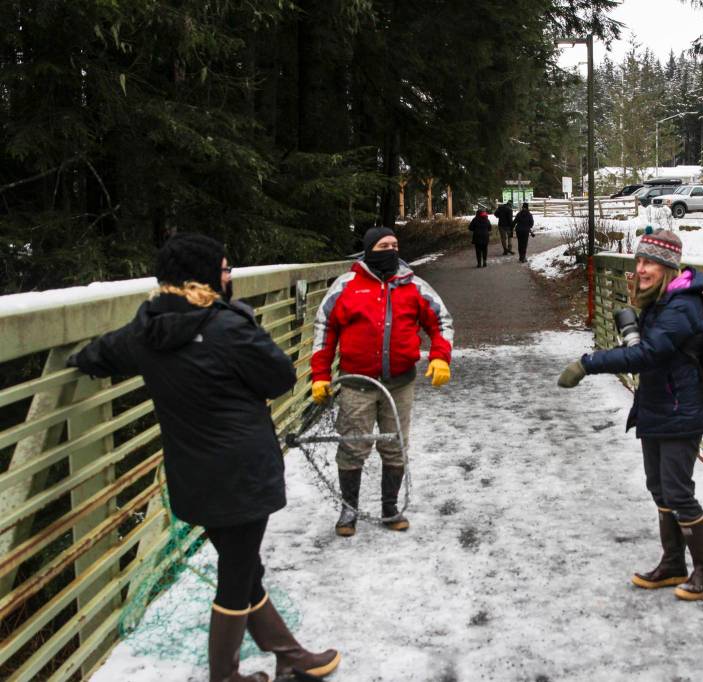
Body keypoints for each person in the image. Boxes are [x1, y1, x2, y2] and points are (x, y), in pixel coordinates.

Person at [68, 234, 339, 682]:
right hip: (243, 475)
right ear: (207, 278)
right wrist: (246, 324)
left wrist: (77, 360)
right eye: (226, 269)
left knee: (243, 566)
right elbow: (279, 378)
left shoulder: (146, 328)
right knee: (236, 576)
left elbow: (101, 355)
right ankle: (227, 678)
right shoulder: (226, 326)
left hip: (194, 475)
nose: (230, 276)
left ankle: (290, 655)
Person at [556, 229, 703, 601]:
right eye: (638, 261)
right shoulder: (660, 301)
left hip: (681, 411)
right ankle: (673, 563)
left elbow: (648, 355)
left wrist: (589, 362)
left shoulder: (682, 306)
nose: (640, 269)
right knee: (659, 488)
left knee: (678, 491)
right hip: (657, 407)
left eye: (649, 263)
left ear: (668, 267)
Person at [311, 227, 453, 537]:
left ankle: (391, 508)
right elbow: (324, 329)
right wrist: (320, 376)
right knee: (352, 447)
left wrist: (440, 356)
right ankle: (349, 508)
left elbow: (441, 321)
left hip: (399, 384)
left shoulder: (413, 285)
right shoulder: (346, 286)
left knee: (396, 447)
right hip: (356, 385)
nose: (390, 249)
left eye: (394, 244)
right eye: (383, 245)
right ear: (369, 249)